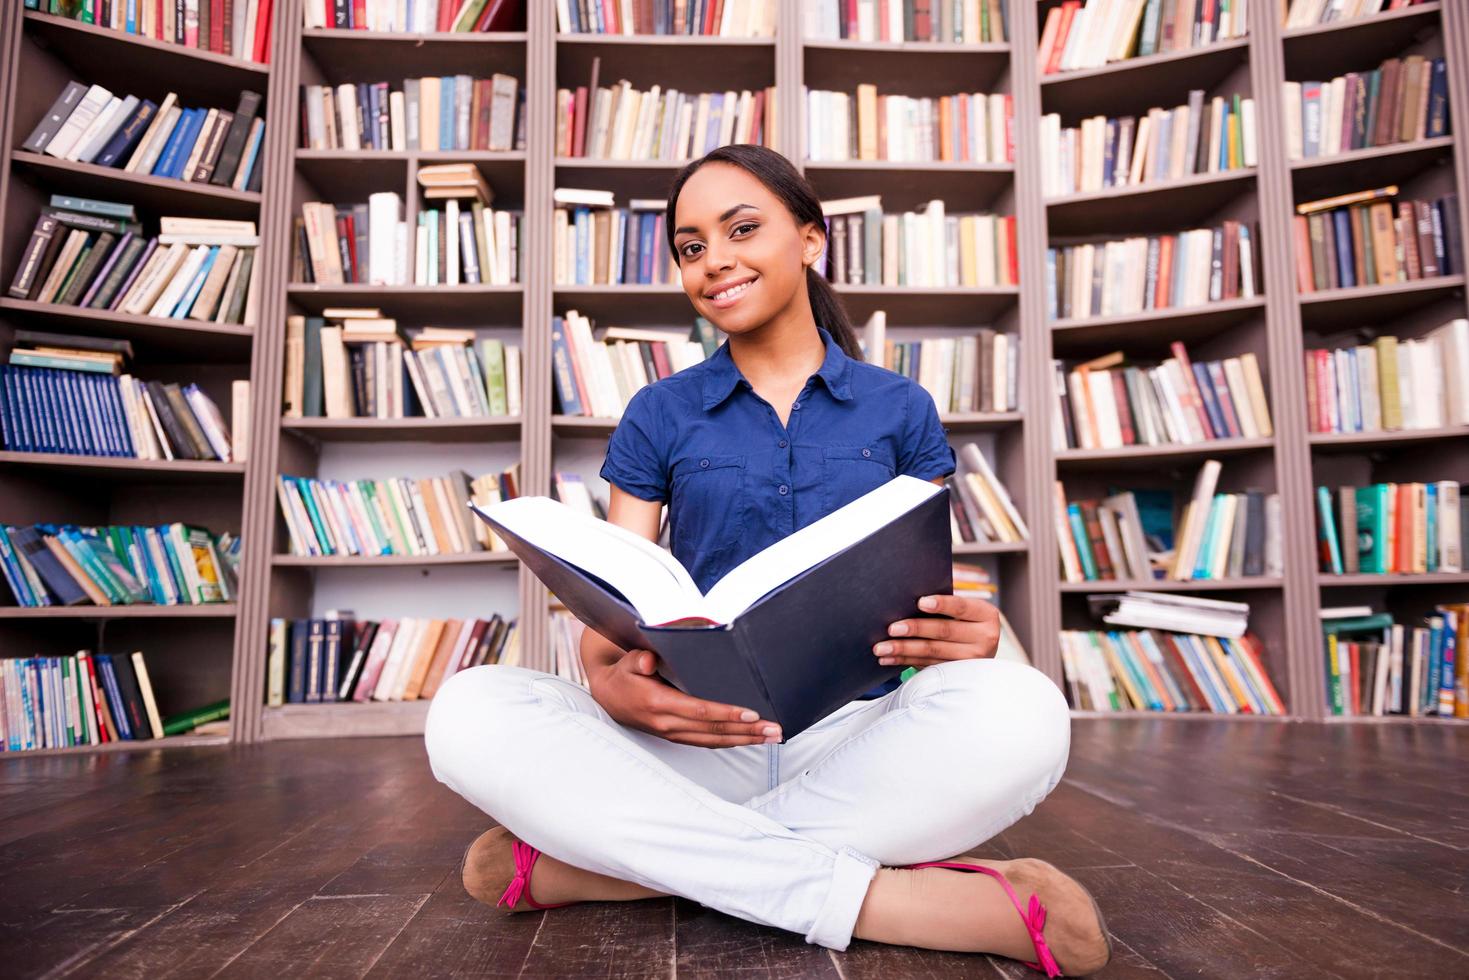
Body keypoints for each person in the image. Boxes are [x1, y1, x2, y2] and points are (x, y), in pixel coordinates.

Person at [424, 144, 1109, 976]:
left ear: (811, 240)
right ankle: (881, 900)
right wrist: (606, 678)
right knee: (468, 709)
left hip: (858, 743)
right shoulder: (659, 411)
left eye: (741, 228)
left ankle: (611, 869)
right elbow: (615, 603)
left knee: (1024, 710)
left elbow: (922, 596)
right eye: (689, 246)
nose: (714, 260)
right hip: (691, 742)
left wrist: (970, 634)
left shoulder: (901, 408)